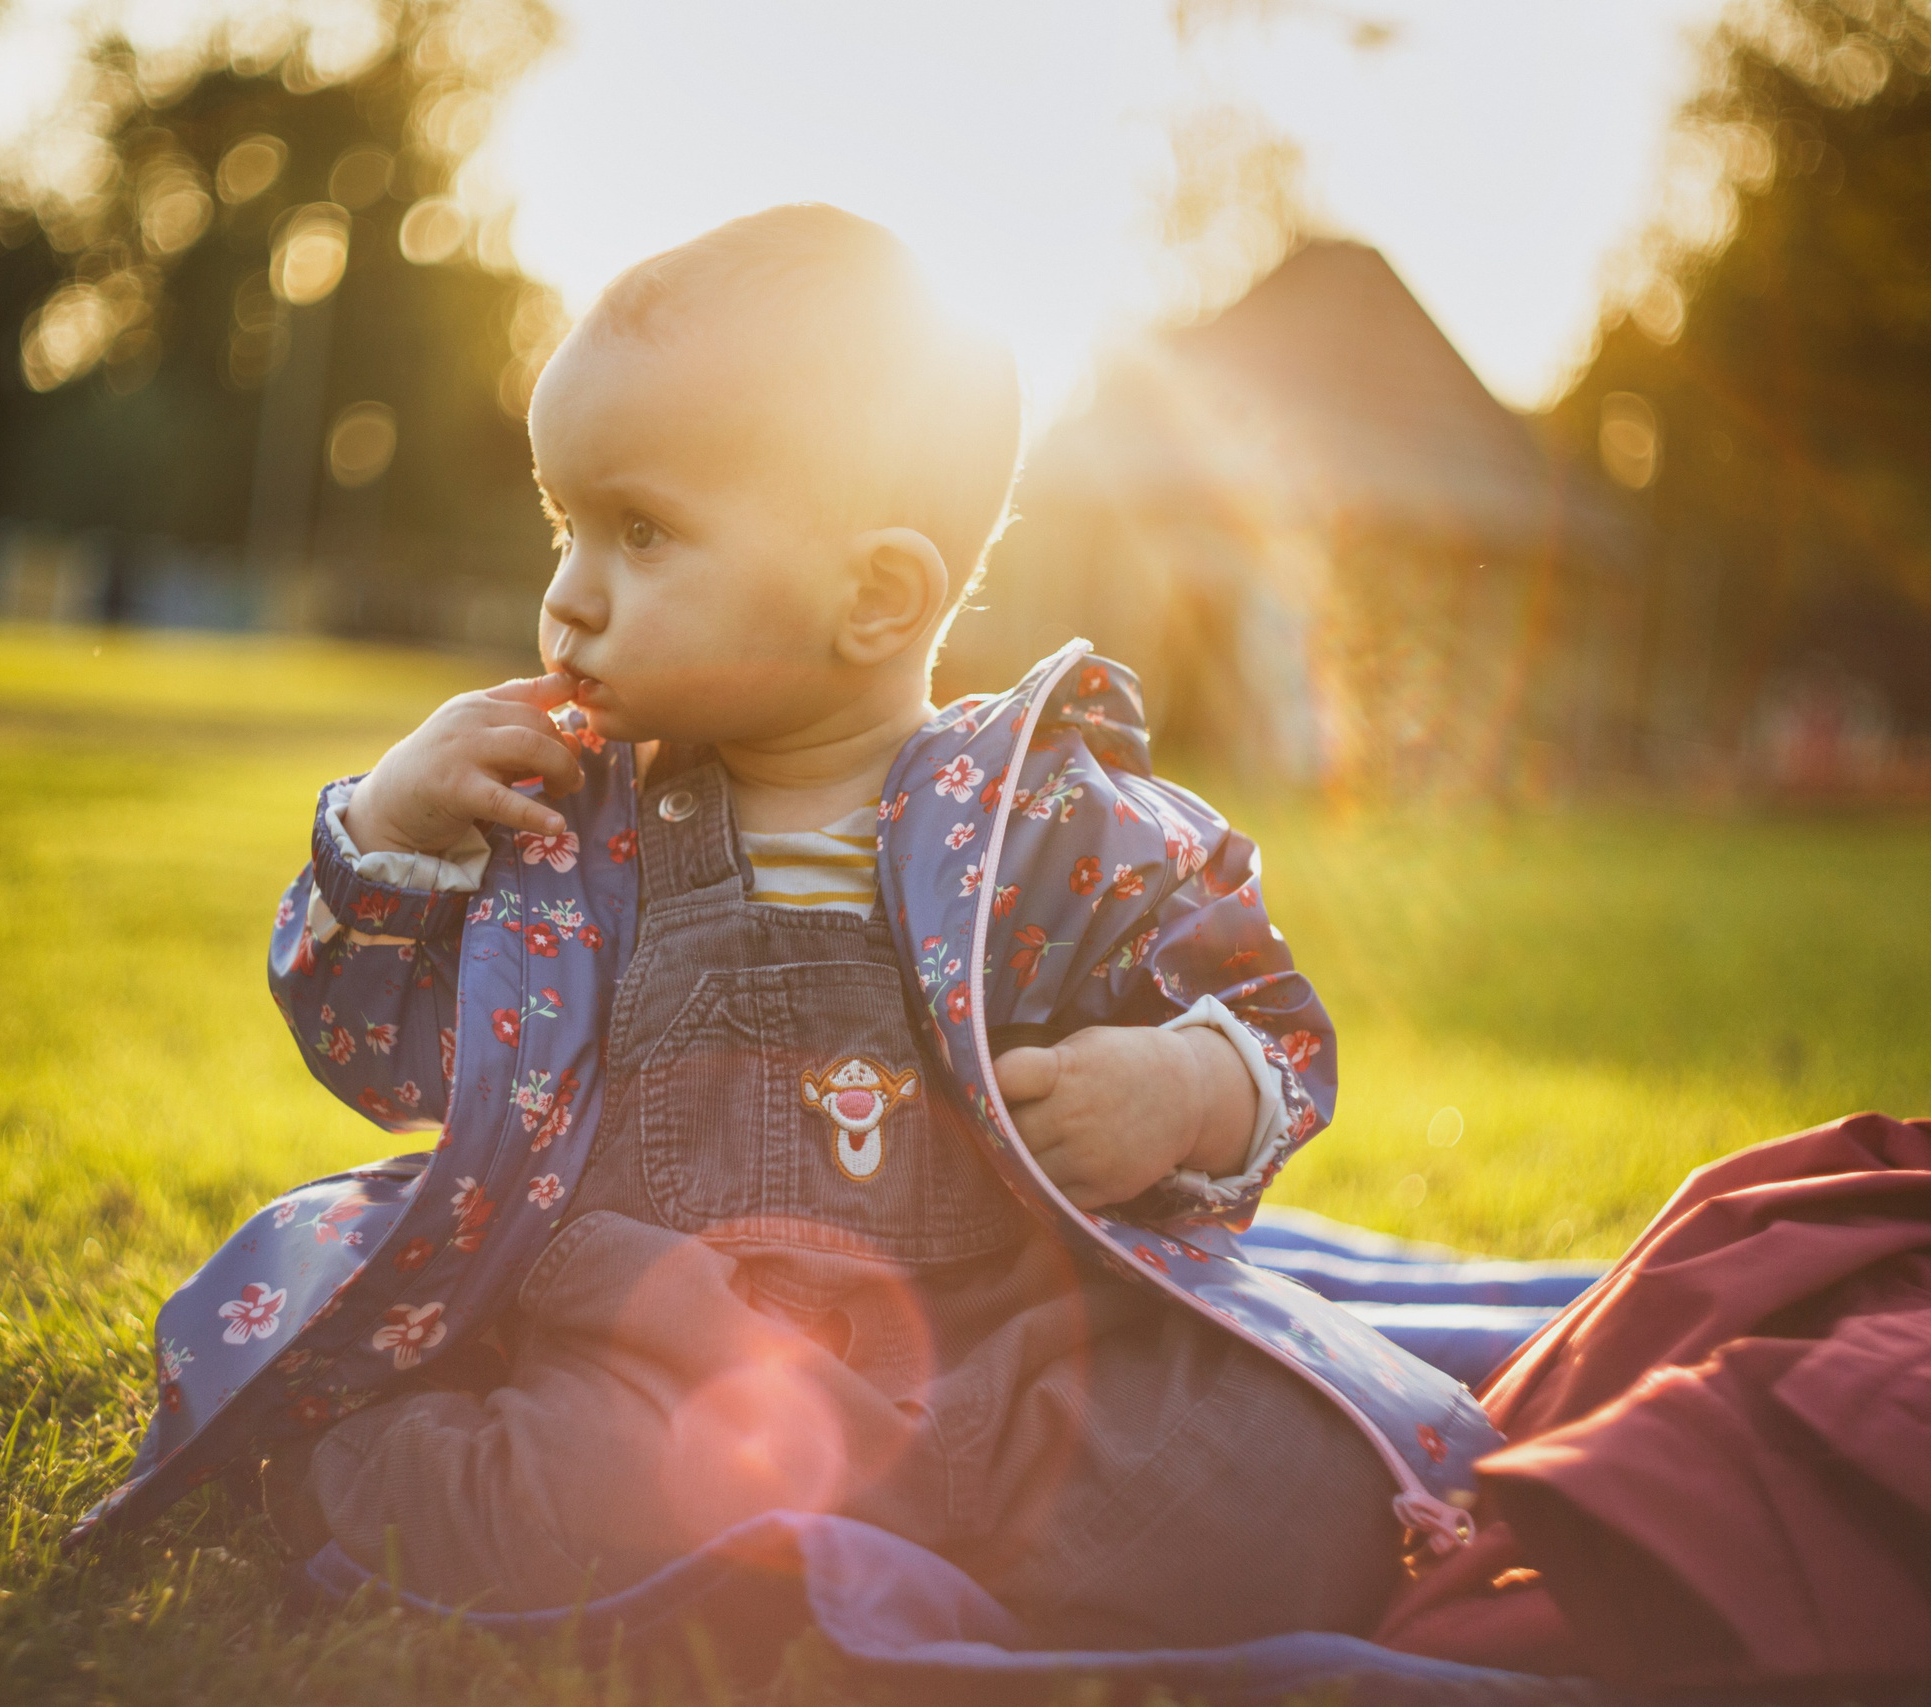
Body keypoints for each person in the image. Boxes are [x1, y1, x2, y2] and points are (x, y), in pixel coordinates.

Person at [157, 205, 1496, 1646]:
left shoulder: (1045, 819)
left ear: (876, 596)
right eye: (567, 525)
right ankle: (802, 1533)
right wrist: (395, 836)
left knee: (1281, 1488)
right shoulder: (559, 822)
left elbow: (1272, 1028)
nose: (566, 596)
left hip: (997, 1353)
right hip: (660, 1361)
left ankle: (847, 1536)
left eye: (642, 531)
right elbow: (384, 1056)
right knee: (521, 1476)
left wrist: (1181, 1089)